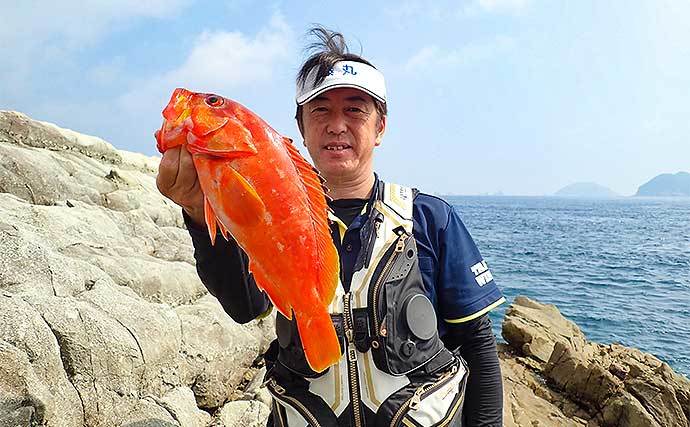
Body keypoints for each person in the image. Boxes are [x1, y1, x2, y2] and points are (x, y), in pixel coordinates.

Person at [157, 26, 505, 427]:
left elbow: (478, 345)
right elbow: (245, 306)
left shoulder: (431, 219)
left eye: (355, 109)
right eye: (320, 110)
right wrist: (199, 214)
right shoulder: (262, 208)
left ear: (380, 128)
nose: (336, 125)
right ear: (301, 128)